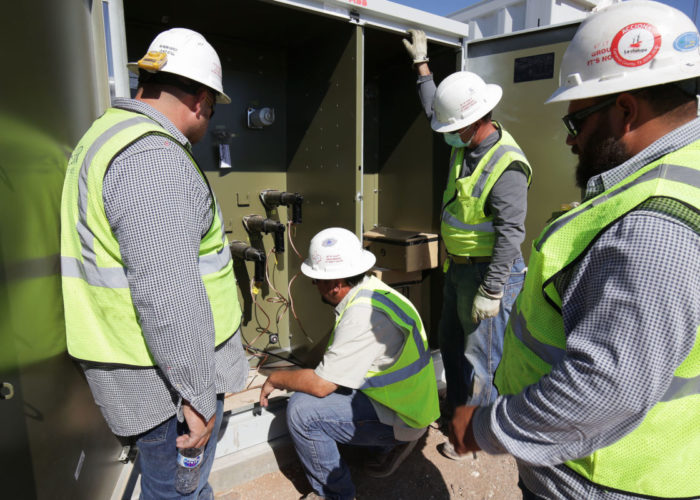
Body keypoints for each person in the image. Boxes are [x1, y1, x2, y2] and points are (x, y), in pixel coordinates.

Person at [448, 1, 700, 498]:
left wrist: (482, 428)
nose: (569, 140)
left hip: (602, 477)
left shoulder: (653, 225)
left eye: (576, 123)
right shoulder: (677, 174)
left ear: (626, 110)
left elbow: (606, 388)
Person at [60, 28, 247, 498]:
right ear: (202, 99)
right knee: (179, 492)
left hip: (146, 372)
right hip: (167, 388)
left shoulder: (105, 135)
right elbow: (167, 294)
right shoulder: (153, 158)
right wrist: (198, 397)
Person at [402, 30, 532, 459]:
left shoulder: (506, 165)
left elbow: (511, 234)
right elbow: (434, 111)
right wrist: (422, 66)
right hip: (458, 269)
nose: (448, 135)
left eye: (455, 129)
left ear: (476, 122)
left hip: (489, 276)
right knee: (453, 346)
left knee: (483, 361)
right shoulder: (465, 140)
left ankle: (475, 437)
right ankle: (457, 415)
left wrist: (493, 290)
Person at [259, 227, 440, 500]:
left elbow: (320, 387)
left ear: (335, 283)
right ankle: (385, 447)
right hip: (409, 404)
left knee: (302, 411)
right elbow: (333, 349)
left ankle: (336, 494)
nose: (313, 284)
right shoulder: (372, 291)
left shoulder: (362, 315)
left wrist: (276, 378)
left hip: (403, 416)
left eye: (317, 279)